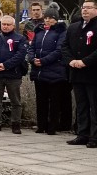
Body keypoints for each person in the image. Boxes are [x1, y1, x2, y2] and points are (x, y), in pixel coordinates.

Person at [63, 0, 97, 148]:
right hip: (77, 73)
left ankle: (95, 136)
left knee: (96, 106)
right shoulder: (73, 27)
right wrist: (71, 61)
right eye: (83, 8)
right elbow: (65, 46)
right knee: (81, 105)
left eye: (89, 8)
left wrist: (85, 61)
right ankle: (82, 134)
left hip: (95, 73)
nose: (85, 10)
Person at [26, 7, 68, 135]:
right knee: (41, 100)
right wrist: (33, 59)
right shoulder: (39, 31)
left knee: (54, 101)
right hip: (39, 72)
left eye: (50, 18)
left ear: (56, 19)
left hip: (54, 72)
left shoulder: (61, 32)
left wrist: (43, 60)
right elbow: (31, 47)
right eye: (46, 18)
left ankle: (52, 126)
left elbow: (59, 50)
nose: (47, 20)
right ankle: (41, 125)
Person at [0, 15, 28, 134]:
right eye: (4, 24)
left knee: (15, 101)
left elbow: (20, 55)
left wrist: (5, 65)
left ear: (13, 26)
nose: (6, 26)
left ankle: (15, 123)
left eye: (8, 24)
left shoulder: (20, 38)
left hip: (13, 74)